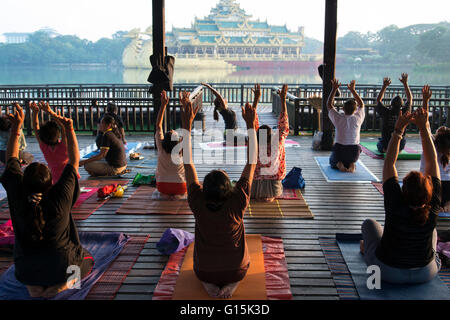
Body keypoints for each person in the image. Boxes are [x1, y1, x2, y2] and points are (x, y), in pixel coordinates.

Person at [0, 103, 94, 299]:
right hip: (62, 266)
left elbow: (11, 162)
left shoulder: (18, 197)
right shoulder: (60, 197)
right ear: (50, 183)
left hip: (26, 270)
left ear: (24, 182)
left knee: (35, 282)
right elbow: (74, 162)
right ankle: (60, 287)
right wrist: (69, 128)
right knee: (87, 259)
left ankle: (36, 290)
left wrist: (16, 128)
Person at [361, 85, 442, 284]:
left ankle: (366, 251)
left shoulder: (395, 201)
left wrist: (398, 130)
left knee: (370, 225)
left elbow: (389, 162)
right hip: (425, 273)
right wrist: (424, 127)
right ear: (428, 191)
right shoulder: (432, 205)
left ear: (403, 190)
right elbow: (432, 162)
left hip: (387, 271)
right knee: (432, 231)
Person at [180, 94, 258, 299]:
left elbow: (187, 163)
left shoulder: (197, 201)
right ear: (229, 187)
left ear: (205, 189)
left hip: (204, 271)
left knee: (206, 273)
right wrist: (251, 125)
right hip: (236, 270)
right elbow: (252, 161)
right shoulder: (238, 200)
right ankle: (231, 287)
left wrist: (186, 126)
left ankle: (209, 286)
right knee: (243, 264)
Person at [251, 84, 290, 201]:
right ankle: (269, 196)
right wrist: (283, 100)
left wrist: (256, 100)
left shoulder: (255, 143)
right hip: (274, 187)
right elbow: (284, 121)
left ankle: (261, 195)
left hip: (255, 187)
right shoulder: (278, 141)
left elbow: (251, 122)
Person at [30, 101, 80, 184]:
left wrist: (35, 113)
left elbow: (35, 127)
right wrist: (50, 112)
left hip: (54, 179)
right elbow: (64, 126)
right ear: (58, 133)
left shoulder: (44, 146)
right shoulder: (64, 145)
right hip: (70, 177)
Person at [327, 79, 365, 173]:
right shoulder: (358, 118)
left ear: (343, 109)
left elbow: (329, 105)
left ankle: (339, 163)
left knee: (332, 161)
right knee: (356, 150)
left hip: (340, 151)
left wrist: (334, 89)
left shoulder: (339, 118)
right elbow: (361, 104)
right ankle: (351, 163)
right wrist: (353, 90)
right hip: (354, 152)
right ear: (355, 109)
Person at [154, 90, 186, 197]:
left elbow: (158, 125)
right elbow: (187, 127)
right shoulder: (181, 150)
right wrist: (184, 106)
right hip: (181, 187)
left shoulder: (161, 148)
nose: (172, 129)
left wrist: (163, 105)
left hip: (162, 187)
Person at [376, 74, 413, 153]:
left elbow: (378, 100)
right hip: (400, 142)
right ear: (402, 105)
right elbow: (410, 99)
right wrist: (405, 83)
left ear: (391, 104)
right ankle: (397, 149)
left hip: (386, 143)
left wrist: (384, 86)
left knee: (379, 143)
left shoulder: (386, 112)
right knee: (402, 139)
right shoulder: (404, 112)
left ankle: (385, 149)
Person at [420, 126, 450, 212]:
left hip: (431, 185)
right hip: (448, 186)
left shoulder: (430, 145)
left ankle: (434, 204)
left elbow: (425, 129)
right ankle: (447, 203)